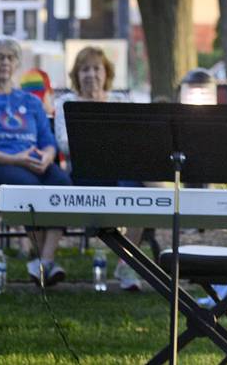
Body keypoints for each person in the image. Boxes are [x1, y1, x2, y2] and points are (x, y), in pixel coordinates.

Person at [0, 35, 71, 286]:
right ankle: (44, 263)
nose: (5, 62)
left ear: (17, 64)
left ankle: (44, 261)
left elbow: (48, 140)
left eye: (11, 57)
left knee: (63, 185)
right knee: (29, 190)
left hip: (36, 163)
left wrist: (47, 156)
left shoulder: (31, 102)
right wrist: (16, 159)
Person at [54, 46, 142, 292]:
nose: (91, 74)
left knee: (142, 193)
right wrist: (107, 144)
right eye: (84, 69)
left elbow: (134, 139)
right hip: (86, 173)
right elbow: (63, 142)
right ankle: (173, 198)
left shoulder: (120, 101)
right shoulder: (67, 103)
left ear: (107, 73)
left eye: (96, 68)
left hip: (121, 172)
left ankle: (127, 264)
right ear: (76, 75)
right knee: (147, 188)